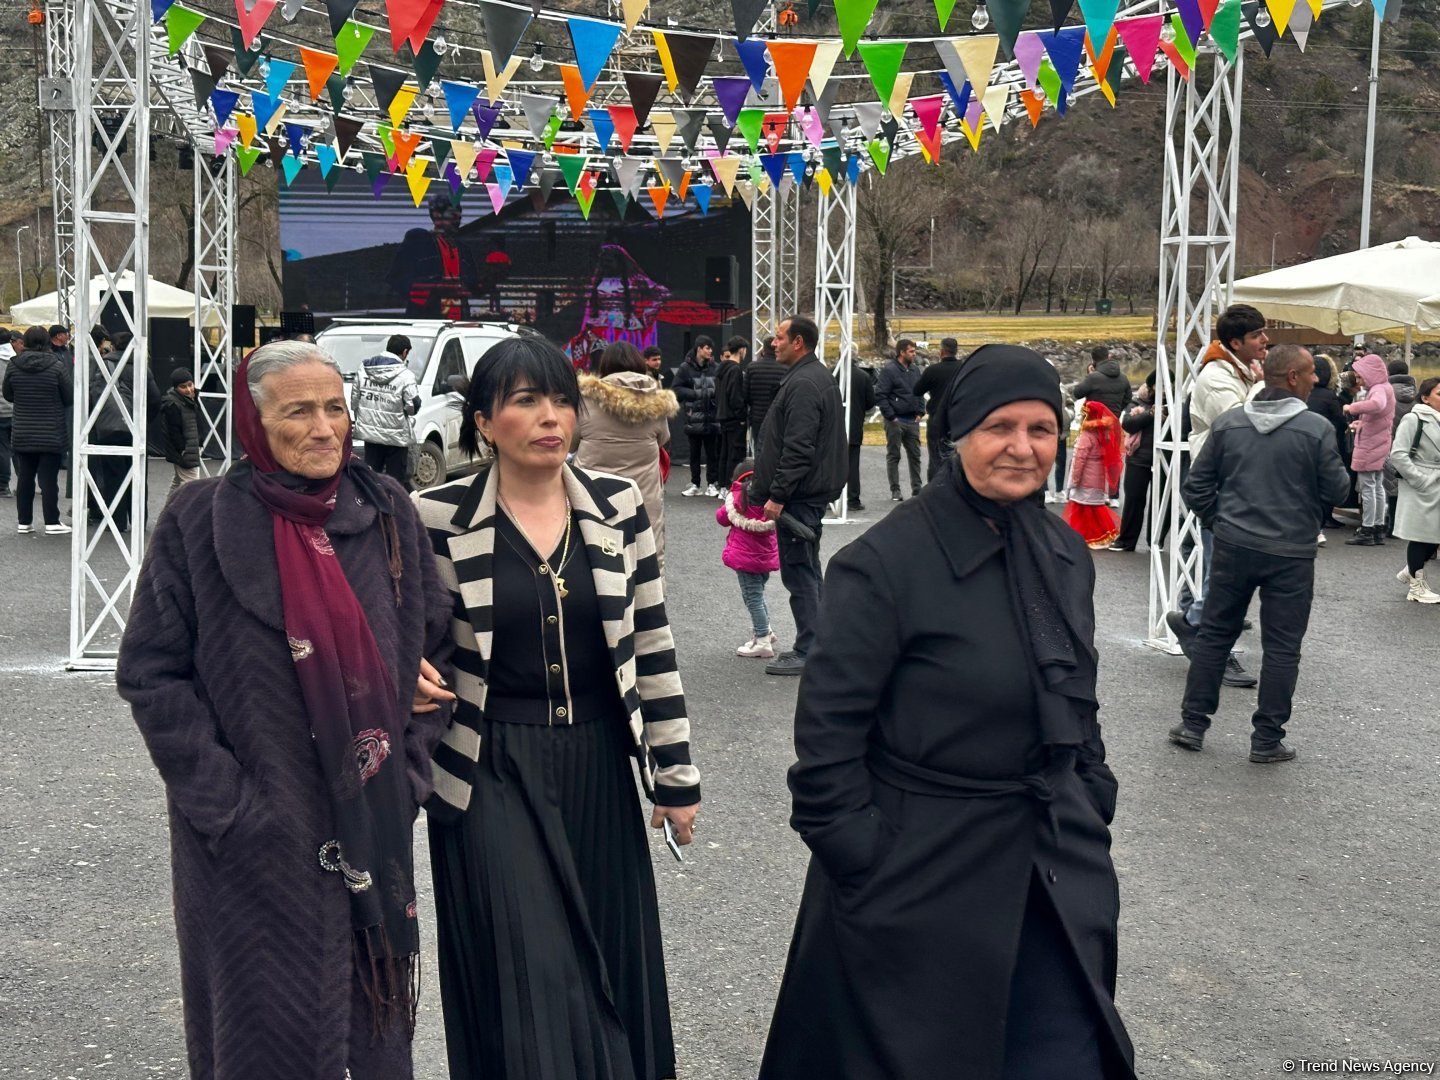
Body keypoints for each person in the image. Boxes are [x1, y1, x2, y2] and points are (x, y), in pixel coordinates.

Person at [759, 344, 1135, 1080]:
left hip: (1049, 864)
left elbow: (1077, 697)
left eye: (1041, 429)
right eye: (1000, 428)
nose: (1022, 448)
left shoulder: (1064, 549)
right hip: (917, 877)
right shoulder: (884, 564)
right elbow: (829, 743)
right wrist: (863, 861)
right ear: (957, 432)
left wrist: (1092, 791)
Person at [115, 341, 454, 1078]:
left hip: (372, 829)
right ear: (253, 422)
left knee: (375, 1037)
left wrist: (409, 773)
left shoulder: (385, 509)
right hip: (248, 844)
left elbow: (438, 649)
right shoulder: (200, 520)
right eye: (299, 411)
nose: (325, 428)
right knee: (258, 1033)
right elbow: (151, 670)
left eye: (335, 408)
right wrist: (229, 806)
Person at [413, 336, 700, 1080]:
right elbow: (394, 629)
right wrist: (397, 668)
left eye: (562, 401)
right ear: (483, 421)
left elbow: (652, 644)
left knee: (611, 953)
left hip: (600, 760)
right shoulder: (434, 515)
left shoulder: (617, 505)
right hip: (487, 766)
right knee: (529, 964)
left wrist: (674, 777)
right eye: (525, 401)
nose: (551, 417)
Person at [1167, 344, 1350, 764]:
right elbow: (1338, 490)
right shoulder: (1316, 429)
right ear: (1291, 378)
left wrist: (1221, 523)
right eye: (1309, 373)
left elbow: (1196, 486)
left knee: (1215, 636)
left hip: (1235, 545)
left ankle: (1194, 725)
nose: (1315, 379)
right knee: (1283, 648)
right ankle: (1266, 740)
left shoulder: (1230, 424)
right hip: (1291, 552)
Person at [1169, 304, 1268, 688]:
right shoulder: (1215, 376)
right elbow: (1239, 424)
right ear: (1236, 341)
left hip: (1235, 481)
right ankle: (1205, 636)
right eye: (1258, 335)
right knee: (1225, 568)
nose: (1265, 341)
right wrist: (1265, 386)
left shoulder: (1239, 370)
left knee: (1228, 567)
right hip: (1220, 483)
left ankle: (1194, 619)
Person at [748, 315, 848, 677]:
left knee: (801, 572)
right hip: (806, 494)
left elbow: (798, 448)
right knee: (807, 568)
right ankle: (819, 643)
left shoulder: (805, 382)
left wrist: (777, 494)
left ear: (798, 343)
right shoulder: (809, 377)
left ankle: (809, 649)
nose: (772, 343)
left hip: (799, 497)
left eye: (778, 337)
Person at [575, 340, 679, 569]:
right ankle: (649, 604)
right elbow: (663, 438)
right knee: (647, 558)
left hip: (594, 494)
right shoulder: (657, 401)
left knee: (593, 557)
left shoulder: (585, 399)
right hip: (643, 495)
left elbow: (572, 441)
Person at [3, 326, 73, 536]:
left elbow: (8, 394)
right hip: (51, 429)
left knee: (25, 477)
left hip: (23, 429)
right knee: (49, 479)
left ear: (25, 342)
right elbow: (69, 396)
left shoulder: (14, 365)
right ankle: (52, 521)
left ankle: (24, 521)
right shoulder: (56, 365)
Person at [717, 458, 780, 658]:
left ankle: (761, 639)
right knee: (758, 595)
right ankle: (766, 631)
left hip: (745, 560)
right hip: (765, 559)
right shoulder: (769, 499)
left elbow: (721, 518)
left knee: (752, 598)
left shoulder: (738, 498)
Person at [389, 191, 483, 318]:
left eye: (459, 215)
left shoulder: (464, 250)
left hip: (459, 319)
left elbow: (474, 285)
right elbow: (397, 279)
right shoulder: (419, 241)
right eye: (453, 215)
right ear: (436, 215)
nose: (458, 220)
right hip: (426, 318)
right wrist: (433, 289)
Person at [1390, 376, 1440, 603]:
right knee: (1422, 535)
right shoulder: (1414, 419)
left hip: (1435, 482)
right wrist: (1420, 480)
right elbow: (1398, 454)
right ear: (1425, 398)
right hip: (1424, 483)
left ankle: (1411, 569)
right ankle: (1416, 584)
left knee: (1434, 533)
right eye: (1439, 393)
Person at [351, 334, 421, 491]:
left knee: (370, 480)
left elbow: (355, 401)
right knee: (395, 484)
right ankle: (395, 513)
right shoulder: (405, 375)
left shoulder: (364, 369)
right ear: (404, 352)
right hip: (395, 437)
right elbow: (412, 407)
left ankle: (372, 512)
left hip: (371, 436)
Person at [1342, 353, 1396, 546]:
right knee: (1378, 486)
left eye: (1360, 376)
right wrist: (1362, 423)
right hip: (1380, 441)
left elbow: (1377, 405)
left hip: (1370, 445)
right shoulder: (1386, 387)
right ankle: (1379, 527)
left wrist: (1351, 407)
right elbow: (1379, 415)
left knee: (1367, 487)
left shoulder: (1378, 389)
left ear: (1370, 373)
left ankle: (1367, 529)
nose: (1358, 380)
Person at [1064, 401, 1123, 549]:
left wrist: (1074, 480)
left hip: (1085, 477)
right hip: (1098, 476)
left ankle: (1088, 536)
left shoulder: (1086, 435)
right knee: (1094, 507)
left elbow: (1079, 459)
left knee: (1082, 508)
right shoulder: (1104, 433)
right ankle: (1101, 535)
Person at [1111, 373, 1157, 552]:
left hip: (1165, 460)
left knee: (1160, 504)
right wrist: (1151, 415)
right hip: (1139, 459)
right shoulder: (1137, 403)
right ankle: (1126, 540)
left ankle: (1156, 541)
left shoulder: (1175, 405)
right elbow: (1128, 424)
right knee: (1133, 500)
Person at [876, 338, 924, 501]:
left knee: (915, 456)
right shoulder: (889, 371)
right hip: (895, 420)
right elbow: (881, 395)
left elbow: (920, 392)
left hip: (912, 420)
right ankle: (895, 490)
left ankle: (917, 489)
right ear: (902, 352)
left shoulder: (915, 370)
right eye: (911, 351)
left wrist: (920, 411)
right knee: (894, 455)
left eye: (914, 351)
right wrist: (891, 416)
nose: (914, 353)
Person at [674, 335, 721, 496]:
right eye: (707, 348)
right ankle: (695, 484)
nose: (710, 351)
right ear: (699, 348)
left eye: (711, 348)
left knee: (712, 454)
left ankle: (712, 484)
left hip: (712, 417)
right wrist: (695, 393)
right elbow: (676, 389)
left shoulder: (715, 367)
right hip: (693, 417)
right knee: (694, 454)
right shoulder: (685, 368)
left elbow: (722, 388)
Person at [1308, 354, 1348, 531]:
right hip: (1326, 441)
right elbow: (1339, 420)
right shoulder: (1329, 396)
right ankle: (1325, 517)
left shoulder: (1304, 393)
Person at [913, 336, 963, 480]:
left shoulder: (933, 370)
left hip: (937, 420)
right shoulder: (963, 369)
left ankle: (936, 492)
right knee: (959, 458)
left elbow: (917, 390)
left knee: (936, 460)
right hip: (959, 419)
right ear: (956, 351)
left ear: (941, 352)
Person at [1383, 358, 1419, 538]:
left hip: (1387, 444)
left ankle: (1386, 523)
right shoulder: (1418, 396)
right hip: (1411, 447)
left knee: (1387, 486)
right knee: (1404, 486)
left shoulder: (1386, 394)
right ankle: (1403, 525)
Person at [838, 356, 876, 513]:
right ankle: (853, 499)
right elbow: (870, 402)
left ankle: (832, 498)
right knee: (853, 465)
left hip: (835, 427)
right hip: (854, 425)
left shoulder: (833, 374)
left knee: (832, 463)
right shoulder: (864, 376)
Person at [159, 367, 201, 502]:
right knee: (191, 486)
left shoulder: (187, 400)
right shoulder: (174, 404)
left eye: (190, 385)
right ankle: (183, 518)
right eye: (183, 387)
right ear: (176, 388)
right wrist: (182, 449)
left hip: (187, 449)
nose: (188, 389)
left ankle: (167, 515)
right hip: (185, 451)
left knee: (178, 484)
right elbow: (173, 431)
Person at [743, 338, 786, 458]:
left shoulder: (752, 368)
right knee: (778, 450)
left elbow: (745, 395)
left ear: (764, 349)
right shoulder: (785, 369)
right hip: (778, 418)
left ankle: (759, 475)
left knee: (759, 450)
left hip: (757, 417)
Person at [714, 343, 748, 488]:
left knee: (725, 453)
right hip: (734, 418)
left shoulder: (721, 370)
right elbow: (735, 396)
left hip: (723, 416)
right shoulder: (735, 370)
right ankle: (731, 486)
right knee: (734, 454)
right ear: (742, 350)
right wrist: (742, 414)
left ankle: (723, 484)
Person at [1070, 345, 1132, 418]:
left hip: (1094, 421)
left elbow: (1077, 393)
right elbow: (1128, 398)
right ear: (1108, 356)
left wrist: (1089, 375)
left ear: (1093, 360)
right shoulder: (1123, 377)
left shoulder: (1093, 378)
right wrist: (1116, 410)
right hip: (1113, 420)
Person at [0, 328, 22, 498]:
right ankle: (24, 482)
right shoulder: (17, 359)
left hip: (1, 411)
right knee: (17, 448)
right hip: (16, 410)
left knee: (3, 449)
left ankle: (3, 485)